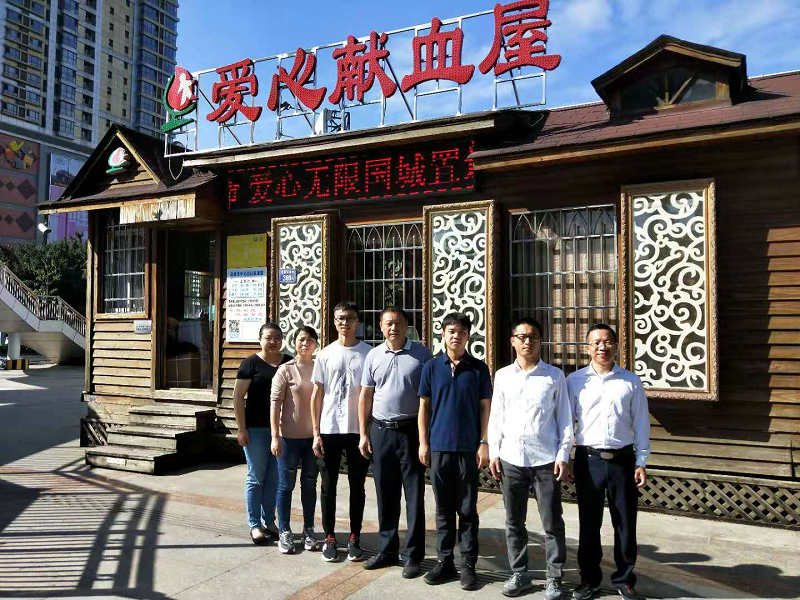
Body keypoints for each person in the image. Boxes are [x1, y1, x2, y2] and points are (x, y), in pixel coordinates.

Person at [488, 318, 573, 599]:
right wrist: (494, 452)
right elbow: (496, 417)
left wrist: (563, 454)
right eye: (522, 337)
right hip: (511, 458)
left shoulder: (554, 376)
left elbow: (564, 419)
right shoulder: (502, 376)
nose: (527, 341)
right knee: (514, 522)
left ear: (540, 341)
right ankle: (520, 573)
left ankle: (554, 577)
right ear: (512, 341)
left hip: (545, 460)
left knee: (552, 523)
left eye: (533, 336)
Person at [567, 324, 650, 600]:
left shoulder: (630, 381)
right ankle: (589, 580)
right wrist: (567, 456)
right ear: (587, 348)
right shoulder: (575, 381)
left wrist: (641, 461)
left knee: (625, 523)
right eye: (596, 342)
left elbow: (641, 422)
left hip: (622, 461)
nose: (602, 347)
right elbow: (567, 423)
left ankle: (624, 580)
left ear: (616, 345)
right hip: (588, 460)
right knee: (589, 523)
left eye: (607, 342)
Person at [418, 312, 492, 591]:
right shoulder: (431, 367)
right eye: (451, 331)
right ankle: (445, 561)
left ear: (468, 336)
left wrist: (484, 442)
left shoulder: (478, 369)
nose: (456, 336)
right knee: (443, 509)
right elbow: (424, 407)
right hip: (439, 447)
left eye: (461, 332)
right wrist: (424, 443)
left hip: (468, 449)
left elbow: (486, 408)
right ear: (443, 334)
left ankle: (468, 565)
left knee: (468, 509)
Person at [358, 307, 432, 578]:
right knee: (385, 493)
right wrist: (363, 433)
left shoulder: (422, 354)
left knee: (414, 495)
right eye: (388, 323)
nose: (393, 328)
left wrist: (425, 438)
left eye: (398, 323)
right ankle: (387, 550)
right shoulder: (373, 355)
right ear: (380, 326)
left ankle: (413, 555)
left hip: (410, 431)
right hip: (381, 432)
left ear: (406, 325)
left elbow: (428, 399)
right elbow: (365, 396)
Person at [311, 301, 372, 562]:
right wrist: (316, 432)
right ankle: (329, 537)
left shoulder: (369, 353)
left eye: (349, 318)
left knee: (358, 485)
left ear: (357, 321)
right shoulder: (325, 354)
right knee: (328, 485)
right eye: (339, 318)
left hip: (358, 430)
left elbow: (371, 394)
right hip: (329, 429)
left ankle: (355, 537)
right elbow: (317, 394)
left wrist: (367, 431)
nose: (344, 323)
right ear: (334, 322)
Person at [233, 323, 292, 544]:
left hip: (282, 430)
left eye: (277, 337)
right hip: (256, 429)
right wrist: (241, 428)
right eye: (269, 337)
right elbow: (238, 397)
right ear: (260, 339)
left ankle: (269, 521)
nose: (273, 341)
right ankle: (254, 524)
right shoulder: (250, 363)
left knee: (274, 478)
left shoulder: (288, 362)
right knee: (256, 476)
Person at [271, 326, 321, 555]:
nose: (305, 343)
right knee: (285, 485)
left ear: (315, 344)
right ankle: (284, 530)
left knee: (309, 484)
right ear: (294, 342)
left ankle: (309, 530)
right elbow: (275, 404)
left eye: (310, 340)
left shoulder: (320, 367)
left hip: (313, 439)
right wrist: (275, 436)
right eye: (301, 339)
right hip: (288, 439)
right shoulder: (285, 370)